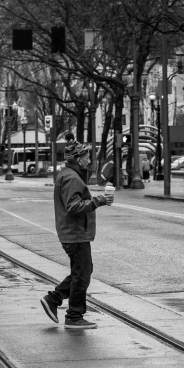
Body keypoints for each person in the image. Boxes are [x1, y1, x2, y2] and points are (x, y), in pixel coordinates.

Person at [40, 132, 114, 329]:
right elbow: (73, 207)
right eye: (86, 157)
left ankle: (54, 300)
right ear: (78, 159)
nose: (89, 160)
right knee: (82, 274)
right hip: (75, 233)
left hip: (74, 233)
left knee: (82, 271)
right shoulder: (72, 178)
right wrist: (99, 201)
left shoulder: (69, 175)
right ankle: (73, 315)